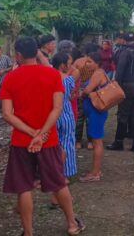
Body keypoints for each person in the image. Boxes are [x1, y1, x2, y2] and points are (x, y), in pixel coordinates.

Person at [0, 37, 85, 236]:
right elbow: (57, 108)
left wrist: (31, 133)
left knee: (24, 187)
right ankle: (72, 224)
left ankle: (28, 232)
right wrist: (43, 133)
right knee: (58, 182)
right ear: (36, 52)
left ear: (18, 55)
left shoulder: (11, 78)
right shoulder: (52, 75)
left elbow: (6, 114)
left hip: (22, 140)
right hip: (49, 139)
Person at [107, 32, 134, 152]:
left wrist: (117, 86)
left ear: (125, 41)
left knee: (123, 115)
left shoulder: (125, 52)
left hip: (127, 86)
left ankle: (119, 142)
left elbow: (120, 70)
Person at [80, 52, 111, 182]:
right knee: (96, 141)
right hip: (95, 112)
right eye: (87, 61)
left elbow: (87, 91)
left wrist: (81, 92)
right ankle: (96, 170)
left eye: (90, 62)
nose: (87, 64)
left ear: (97, 63)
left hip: (96, 112)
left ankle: (95, 173)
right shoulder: (100, 72)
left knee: (97, 142)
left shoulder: (98, 74)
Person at [52, 52, 79, 180]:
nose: (70, 66)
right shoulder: (68, 80)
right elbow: (71, 94)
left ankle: (52, 172)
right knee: (67, 143)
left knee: (52, 144)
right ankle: (65, 173)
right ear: (62, 65)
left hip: (52, 115)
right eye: (68, 64)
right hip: (66, 113)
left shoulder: (48, 77)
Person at [73, 47, 98, 150]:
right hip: (90, 93)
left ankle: (78, 141)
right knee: (89, 119)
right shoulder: (95, 64)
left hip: (80, 92)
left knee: (79, 118)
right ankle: (90, 142)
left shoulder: (77, 62)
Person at [0, 45, 13, 118]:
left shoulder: (6, 58)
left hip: (5, 79)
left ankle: (8, 110)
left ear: (1, 50)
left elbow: (11, 67)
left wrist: (4, 70)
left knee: (6, 95)